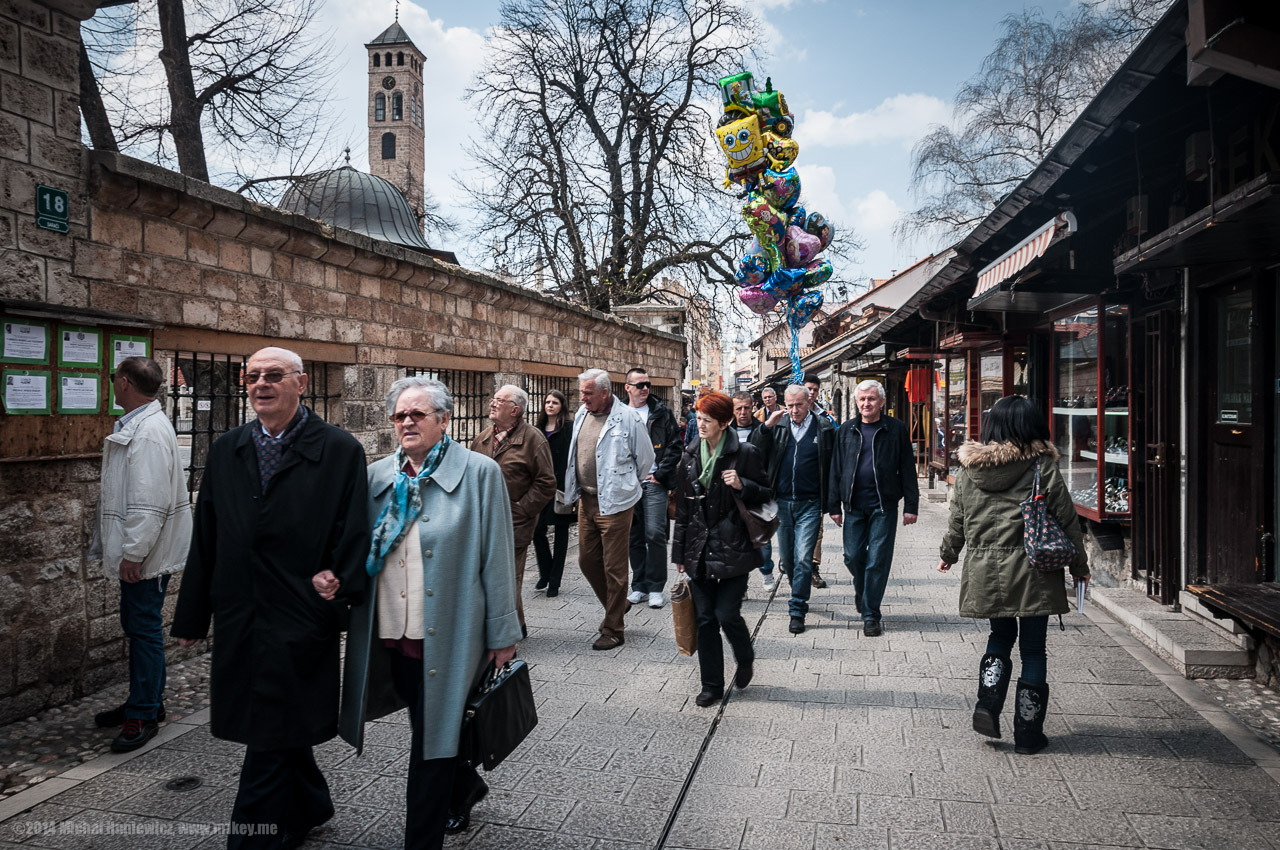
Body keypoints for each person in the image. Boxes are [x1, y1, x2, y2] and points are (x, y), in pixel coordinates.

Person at [172, 347, 370, 849]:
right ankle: (310, 803)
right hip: (242, 611)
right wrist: (194, 613)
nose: (261, 383)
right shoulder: (227, 448)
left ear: (300, 384)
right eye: (252, 375)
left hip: (301, 612)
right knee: (277, 722)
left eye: (274, 375)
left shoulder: (339, 449)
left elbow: (355, 531)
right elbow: (208, 534)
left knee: (270, 729)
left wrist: (339, 580)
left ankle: (252, 837)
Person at [336, 376, 521, 848]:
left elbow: (497, 559)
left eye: (418, 414)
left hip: (451, 635)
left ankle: (423, 836)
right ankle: (465, 786)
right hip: (389, 635)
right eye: (400, 415)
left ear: (444, 419)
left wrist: (503, 633)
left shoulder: (479, 474)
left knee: (431, 740)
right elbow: (357, 548)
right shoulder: (377, 477)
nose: (407, 422)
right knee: (432, 724)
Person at [937, 395, 1090, 755]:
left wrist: (948, 554)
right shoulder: (1041, 466)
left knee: (999, 636)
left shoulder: (968, 470)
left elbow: (957, 520)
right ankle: (1028, 733)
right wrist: (1079, 567)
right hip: (1034, 570)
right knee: (1034, 650)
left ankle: (988, 705)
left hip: (985, 571)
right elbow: (1067, 520)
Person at [90, 356, 191, 753]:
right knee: (138, 627)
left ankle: (145, 713)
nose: (113, 384)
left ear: (127, 383)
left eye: (115, 378)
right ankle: (144, 701)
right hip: (143, 553)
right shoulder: (142, 424)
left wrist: (133, 554)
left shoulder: (147, 432)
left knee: (144, 630)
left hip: (145, 556)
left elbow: (149, 503)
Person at [672, 392, 770, 707]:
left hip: (735, 546)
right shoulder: (688, 456)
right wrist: (679, 555)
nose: (700, 425)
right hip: (698, 548)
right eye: (698, 419)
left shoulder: (745, 453)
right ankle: (711, 685)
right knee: (704, 618)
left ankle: (744, 656)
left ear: (723, 422)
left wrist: (744, 485)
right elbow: (683, 512)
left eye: (707, 420)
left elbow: (768, 496)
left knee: (726, 613)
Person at [563, 368, 655, 650]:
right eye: (582, 393)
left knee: (614, 567)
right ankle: (618, 605)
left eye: (588, 393)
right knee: (587, 560)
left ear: (605, 392)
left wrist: (625, 485)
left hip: (615, 503)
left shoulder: (628, 418)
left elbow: (646, 459)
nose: (583, 398)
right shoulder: (582, 414)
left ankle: (614, 628)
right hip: (586, 500)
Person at [829, 379, 920, 637]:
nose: (866, 403)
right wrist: (833, 505)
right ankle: (864, 589)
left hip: (884, 506)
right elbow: (836, 469)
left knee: (877, 561)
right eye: (862, 399)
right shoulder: (846, 430)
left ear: (882, 402)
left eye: (871, 399)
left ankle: (871, 614)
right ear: (857, 402)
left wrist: (911, 506)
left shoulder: (896, 429)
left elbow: (908, 469)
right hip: (853, 507)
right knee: (852, 556)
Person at [470, 384, 556, 635]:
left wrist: (522, 509)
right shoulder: (484, 437)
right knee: (492, 577)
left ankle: (507, 630)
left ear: (515, 410)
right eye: (493, 399)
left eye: (500, 400)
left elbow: (547, 482)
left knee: (510, 578)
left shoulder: (533, 439)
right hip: (484, 521)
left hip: (515, 523)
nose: (492, 403)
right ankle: (516, 624)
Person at [756, 385, 838, 634]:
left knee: (803, 559)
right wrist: (766, 427)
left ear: (808, 402)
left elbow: (834, 467)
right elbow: (755, 449)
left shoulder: (824, 427)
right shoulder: (778, 425)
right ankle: (798, 588)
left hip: (810, 504)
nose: (793, 410)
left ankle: (797, 608)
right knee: (789, 561)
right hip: (782, 503)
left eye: (798, 405)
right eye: (789, 405)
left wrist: (833, 505)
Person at [624, 368, 680, 609]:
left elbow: (675, 445)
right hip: (628, 483)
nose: (645, 388)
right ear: (628, 388)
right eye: (639, 385)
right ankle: (639, 586)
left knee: (655, 533)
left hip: (653, 483)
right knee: (633, 535)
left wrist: (660, 473)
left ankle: (656, 587)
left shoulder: (661, 413)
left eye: (647, 384)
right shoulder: (619, 413)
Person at [730, 391, 774, 591]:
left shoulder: (763, 430)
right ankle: (742, 586)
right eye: (738, 408)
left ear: (753, 407)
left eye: (746, 407)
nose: (743, 412)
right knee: (737, 541)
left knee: (761, 538)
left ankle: (766, 571)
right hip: (732, 494)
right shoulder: (725, 432)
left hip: (757, 492)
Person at [533, 390, 574, 597]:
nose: (550, 405)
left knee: (561, 531)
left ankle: (555, 581)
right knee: (537, 530)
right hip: (540, 485)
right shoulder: (537, 428)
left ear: (561, 406)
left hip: (561, 485)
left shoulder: (568, 428)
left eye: (554, 402)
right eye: (547, 402)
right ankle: (545, 571)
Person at [803, 372, 836, 589]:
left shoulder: (825, 419)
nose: (812, 393)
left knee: (817, 530)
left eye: (815, 389)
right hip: (794, 486)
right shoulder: (788, 416)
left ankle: (813, 569)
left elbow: (834, 452)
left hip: (817, 484)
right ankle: (792, 560)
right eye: (809, 389)